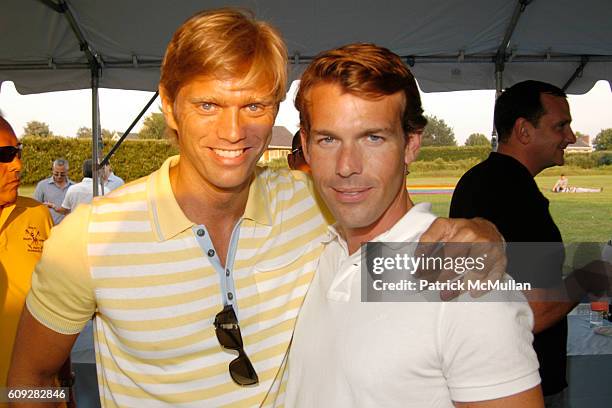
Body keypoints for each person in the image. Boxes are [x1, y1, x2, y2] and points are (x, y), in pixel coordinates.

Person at [9, 9, 505, 406]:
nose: (232, 132)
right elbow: (27, 379)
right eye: (207, 105)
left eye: (254, 105)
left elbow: (502, 274)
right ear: (169, 104)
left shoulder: (316, 202)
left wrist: (488, 234)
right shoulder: (92, 237)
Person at [283, 43, 543, 408]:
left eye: (373, 137)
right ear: (307, 149)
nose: (346, 166)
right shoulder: (316, 250)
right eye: (328, 139)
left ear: (410, 145)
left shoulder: (464, 281)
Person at [450, 80, 608, 406]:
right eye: (560, 125)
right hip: (518, 385)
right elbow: (530, 309)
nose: (570, 136)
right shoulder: (511, 194)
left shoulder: (481, 180)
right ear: (524, 131)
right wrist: (591, 274)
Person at [0, 115, 53, 388]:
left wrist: (65, 386)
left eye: (17, 152)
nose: (18, 165)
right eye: (5, 155)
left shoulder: (37, 214)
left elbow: (56, 307)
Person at [33, 158, 74, 224]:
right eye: (56, 173)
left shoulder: (74, 187)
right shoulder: (42, 185)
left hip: (69, 227)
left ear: (67, 171)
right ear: (52, 170)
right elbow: (34, 206)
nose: (59, 176)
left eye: (62, 174)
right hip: (49, 227)